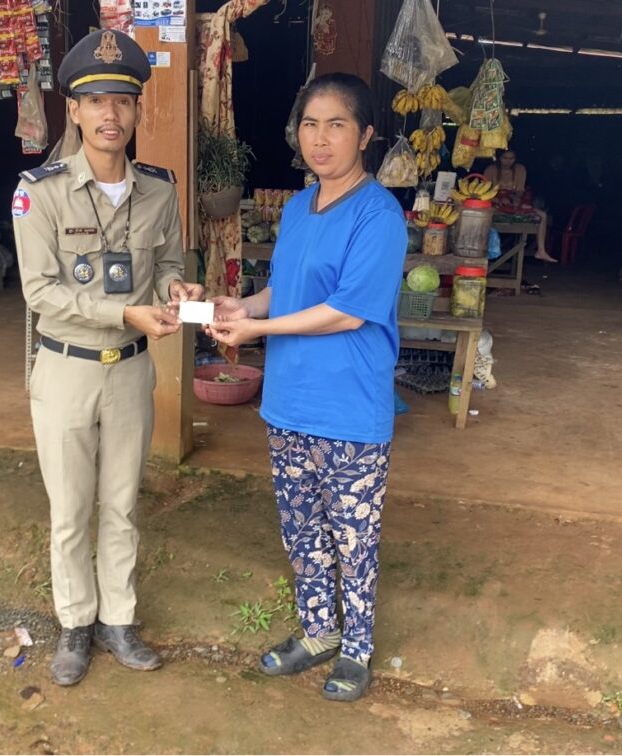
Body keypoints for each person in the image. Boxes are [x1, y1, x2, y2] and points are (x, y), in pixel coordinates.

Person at [12, 28, 204, 687]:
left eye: (122, 101)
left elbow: (171, 263)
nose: (110, 115)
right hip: (65, 369)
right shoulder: (39, 192)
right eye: (95, 102)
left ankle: (118, 620)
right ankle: (75, 624)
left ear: (137, 109)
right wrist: (123, 312)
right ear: (74, 110)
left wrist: (176, 290)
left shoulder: (159, 190)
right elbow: (40, 291)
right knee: (70, 511)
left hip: (130, 369)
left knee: (121, 503)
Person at [207, 73, 407, 702]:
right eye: (310, 125)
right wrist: (244, 307)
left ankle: (356, 649)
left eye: (336, 125)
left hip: (348, 407)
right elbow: (287, 288)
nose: (320, 139)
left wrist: (258, 329)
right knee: (301, 530)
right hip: (288, 403)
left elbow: (346, 311)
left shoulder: (379, 215)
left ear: (365, 135)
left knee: (353, 538)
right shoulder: (297, 207)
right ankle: (319, 631)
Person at [484, 149, 557, 263]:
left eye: (511, 158)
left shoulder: (520, 169)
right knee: (486, 214)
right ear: (499, 158)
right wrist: (499, 199)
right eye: (505, 158)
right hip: (496, 202)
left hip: (514, 202)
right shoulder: (491, 170)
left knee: (542, 215)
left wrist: (516, 198)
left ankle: (541, 251)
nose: (508, 161)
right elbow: (485, 192)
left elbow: (520, 190)